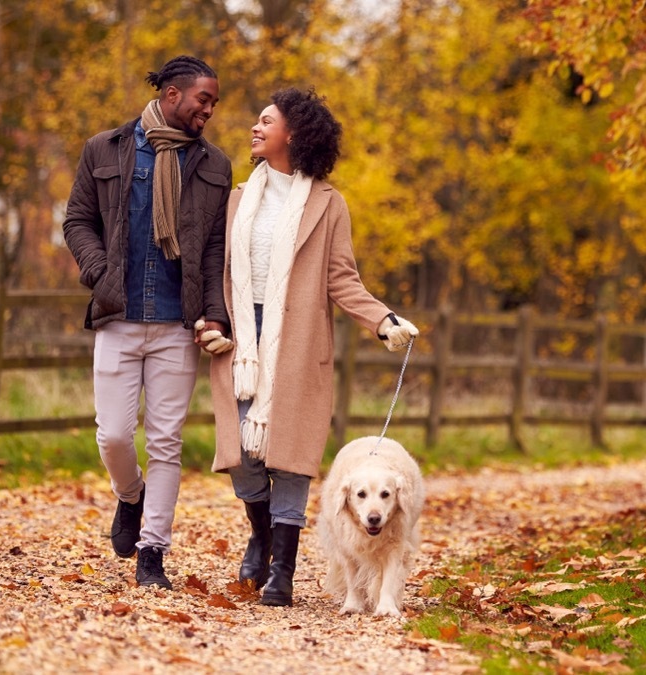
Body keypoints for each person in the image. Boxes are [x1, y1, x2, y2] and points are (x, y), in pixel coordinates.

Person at [208, 87, 419, 607]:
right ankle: (260, 534)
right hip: (241, 339)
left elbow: (342, 279)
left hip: (299, 338)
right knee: (244, 455)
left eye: (266, 121)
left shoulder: (328, 204)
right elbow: (216, 269)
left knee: (292, 456)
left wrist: (382, 319)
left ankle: (282, 568)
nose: (254, 128)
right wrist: (208, 318)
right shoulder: (238, 197)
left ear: (294, 134)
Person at [63, 55, 235, 590]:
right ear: (171, 96)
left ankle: (152, 553)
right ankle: (130, 497)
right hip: (118, 314)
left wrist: (214, 312)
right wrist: (99, 271)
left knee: (166, 442)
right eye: (203, 99)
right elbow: (77, 221)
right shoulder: (105, 149)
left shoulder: (213, 165)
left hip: (177, 324)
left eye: (213, 101)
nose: (209, 109)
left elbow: (212, 249)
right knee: (114, 436)